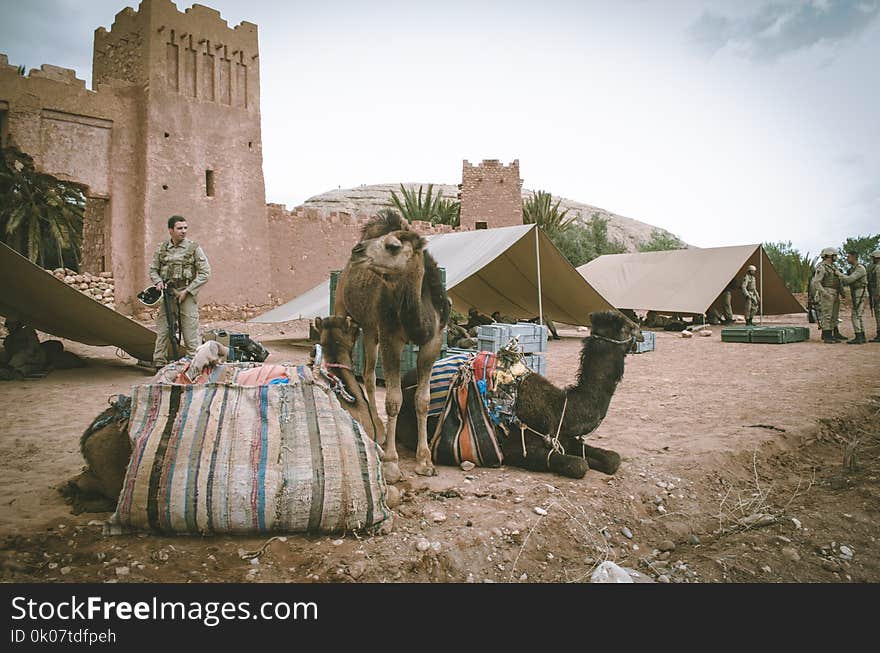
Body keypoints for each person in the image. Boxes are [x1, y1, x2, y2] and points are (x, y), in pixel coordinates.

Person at [149, 215, 211, 368]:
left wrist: (188, 291)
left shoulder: (193, 248)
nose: (183, 231)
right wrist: (158, 282)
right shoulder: (162, 248)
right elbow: (153, 270)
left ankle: (194, 365)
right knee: (163, 330)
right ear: (170, 230)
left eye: (185, 228)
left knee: (190, 332)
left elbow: (205, 273)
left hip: (187, 293)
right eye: (179, 228)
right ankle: (159, 363)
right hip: (168, 294)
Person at [811, 247, 843, 344]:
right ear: (829, 255)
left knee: (834, 315)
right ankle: (827, 335)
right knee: (827, 315)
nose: (836, 257)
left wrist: (841, 292)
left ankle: (832, 334)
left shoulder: (833, 267)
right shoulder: (822, 267)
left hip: (835, 292)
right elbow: (816, 282)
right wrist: (824, 293)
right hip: (827, 291)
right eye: (834, 255)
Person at [837, 250, 868, 344]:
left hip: (860, 293)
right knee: (858, 315)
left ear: (854, 257)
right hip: (855, 293)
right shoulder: (853, 269)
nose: (847, 259)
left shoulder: (860, 268)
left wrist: (839, 274)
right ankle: (861, 336)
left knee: (855, 316)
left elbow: (850, 279)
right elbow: (846, 281)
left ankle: (858, 336)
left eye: (848, 257)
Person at [868, 250, 880, 343]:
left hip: (877, 293)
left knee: (878, 313)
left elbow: (878, 282)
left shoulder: (878, 267)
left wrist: (877, 294)